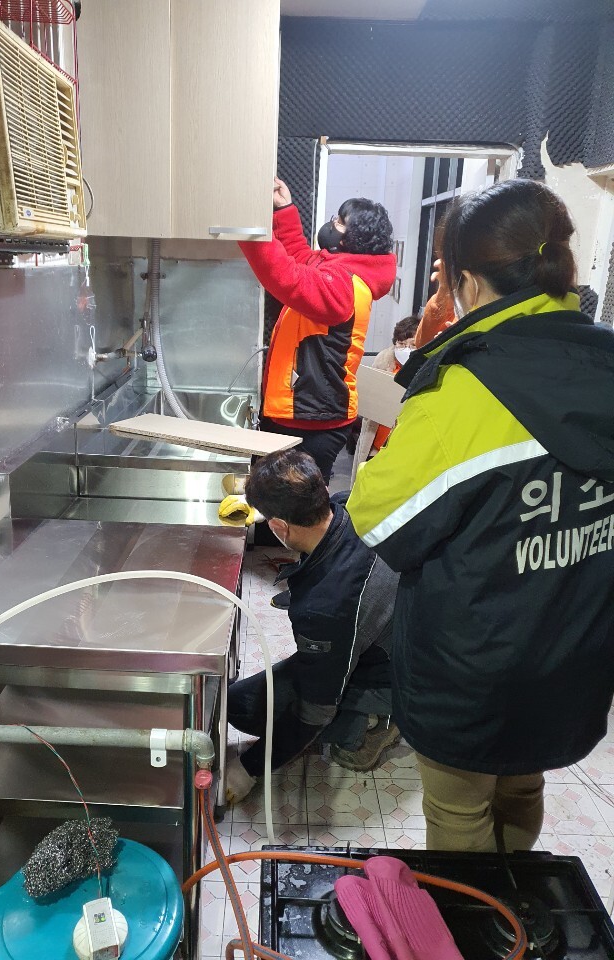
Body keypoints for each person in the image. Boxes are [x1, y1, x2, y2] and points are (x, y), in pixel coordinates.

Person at [347, 178, 614, 853]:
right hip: (574, 650)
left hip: (475, 667)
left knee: (460, 811)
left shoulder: (465, 390)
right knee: (523, 786)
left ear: (467, 281)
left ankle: (475, 912)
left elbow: (377, 518)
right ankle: (512, 903)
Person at [226, 449, 400, 803]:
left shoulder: (325, 611)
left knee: (245, 710)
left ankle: (376, 723)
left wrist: (250, 768)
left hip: (395, 673)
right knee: (245, 700)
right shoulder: (350, 504)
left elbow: (315, 708)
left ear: (279, 527)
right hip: (399, 632)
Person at [239, 178, 396, 485]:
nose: (331, 223)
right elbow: (300, 256)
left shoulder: (343, 285)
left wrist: (247, 227)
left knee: (291, 502)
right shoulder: (338, 271)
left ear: (352, 238)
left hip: (311, 419)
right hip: (308, 413)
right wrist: (284, 209)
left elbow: (286, 275)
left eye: (340, 221)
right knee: (282, 499)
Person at [369, 314, 420, 452]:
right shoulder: (383, 361)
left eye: (413, 345)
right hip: (379, 440)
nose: (406, 349)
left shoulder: (426, 367)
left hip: (408, 441)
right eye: (401, 344)